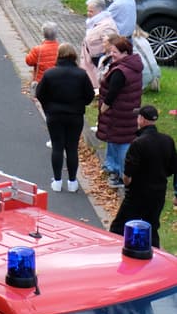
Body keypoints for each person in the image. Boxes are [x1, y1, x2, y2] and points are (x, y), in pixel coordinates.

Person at [109, 106, 177, 247]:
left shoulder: (138, 143)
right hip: (158, 193)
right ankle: (154, 254)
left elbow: (127, 175)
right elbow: (172, 168)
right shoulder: (168, 141)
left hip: (137, 193)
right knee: (151, 227)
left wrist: (128, 182)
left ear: (142, 119)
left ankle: (115, 253)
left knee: (119, 227)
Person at [35, 43, 95, 192]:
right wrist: (80, 104)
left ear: (59, 55)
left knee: (57, 146)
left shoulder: (50, 74)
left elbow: (40, 94)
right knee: (72, 148)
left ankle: (57, 181)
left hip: (54, 115)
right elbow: (90, 95)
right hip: (75, 116)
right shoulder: (81, 74)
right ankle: (72, 182)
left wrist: (48, 107)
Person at [97, 35, 144, 187]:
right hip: (129, 112)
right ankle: (113, 167)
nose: (112, 55)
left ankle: (121, 175)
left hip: (118, 114)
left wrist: (103, 108)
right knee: (119, 140)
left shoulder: (120, 71)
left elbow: (112, 94)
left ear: (125, 52)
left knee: (121, 144)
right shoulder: (134, 66)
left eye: (115, 52)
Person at [80, 0, 119, 87]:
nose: (88, 13)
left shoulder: (107, 26)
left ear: (100, 11)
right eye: (88, 10)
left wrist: (101, 58)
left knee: (95, 88)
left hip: (96, 67)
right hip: (89, 65)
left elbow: (111, 46)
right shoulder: (94, 23)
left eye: (91, 11)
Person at [25, 22, 59, 88]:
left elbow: (29, 61)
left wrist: (29, 54)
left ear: (43, 34)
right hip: (57, 82)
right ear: (56, 34)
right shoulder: (61, 48)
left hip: (41, 83)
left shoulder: (37, 49)